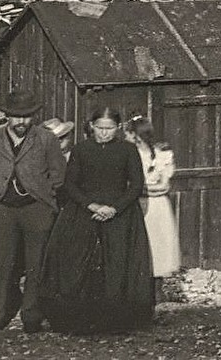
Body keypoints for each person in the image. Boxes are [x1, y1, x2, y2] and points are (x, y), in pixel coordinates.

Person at [38, 106, 155, 333]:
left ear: (118, 128)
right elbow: (70, 184)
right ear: (91, 126)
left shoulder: (127, 150)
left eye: (109, 129)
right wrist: (91, 205)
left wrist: (115, 208)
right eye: (99, 128)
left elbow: (136, 185)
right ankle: (80, 318)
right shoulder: (81, 150)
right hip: (84, 210)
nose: (104, 133)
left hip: (120, 213)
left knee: (117, 262)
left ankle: (115, 320)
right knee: (77, 260)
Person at [0, 90, 68, 337]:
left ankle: (31, 316)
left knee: (37, 264)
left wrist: (42, 193)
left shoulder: (46, 139)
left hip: (36, 208)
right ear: (6, 116)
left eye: (26, 117)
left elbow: (59, 174)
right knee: (0, 264)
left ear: (33, 116)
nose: (20, 122)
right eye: (15, 117)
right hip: (2, 209)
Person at [127, 115, 180, 288]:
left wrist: (144, 190)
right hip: (138, 205)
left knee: (159, 244)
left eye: (128, 133)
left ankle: (156, 290)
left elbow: (165, 185)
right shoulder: (129, 155)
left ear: (137, 135)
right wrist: (143, 189)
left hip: (158, 207)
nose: (126, 137)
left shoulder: (161, 155)